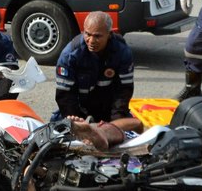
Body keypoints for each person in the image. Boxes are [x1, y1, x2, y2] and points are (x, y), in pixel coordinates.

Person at [53, 11, 143, 149]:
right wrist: (79, 126)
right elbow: (65, 97)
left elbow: (123, 93)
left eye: (97, 36)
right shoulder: (70, 55)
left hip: (109, 111)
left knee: (136, 127)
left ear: (109, 34)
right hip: (76, 112)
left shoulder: (122, 52)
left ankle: (102, 134)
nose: (91, 40)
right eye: (87, 34)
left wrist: (113, 127)